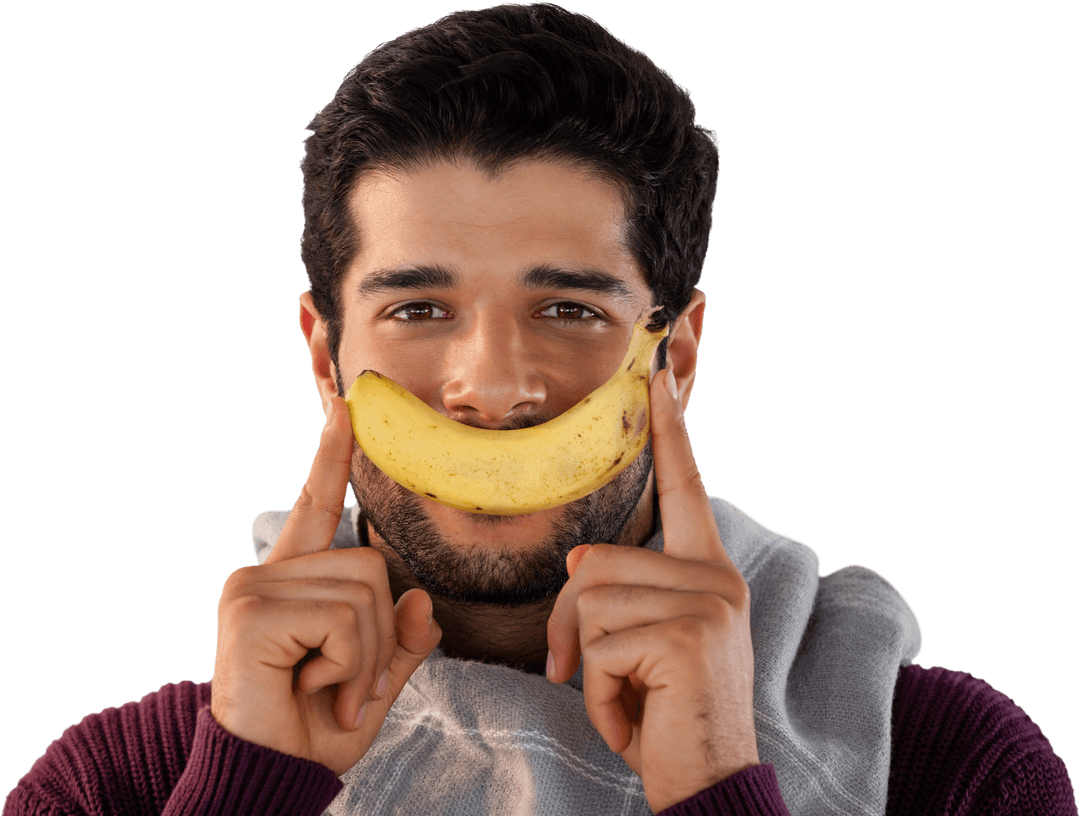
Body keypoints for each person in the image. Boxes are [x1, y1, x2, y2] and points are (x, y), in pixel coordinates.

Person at [5, 3, 1076, 815]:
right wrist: (244, 787)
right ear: (326, 357)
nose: (496, 390)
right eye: (419, 307)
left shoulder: (947, 764)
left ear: (677, 357)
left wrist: (717, 785)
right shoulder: (124, 786)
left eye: (567, 307)